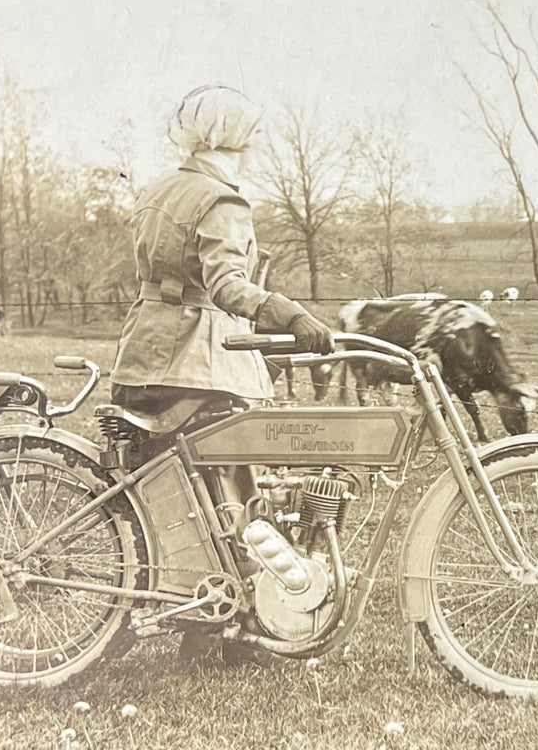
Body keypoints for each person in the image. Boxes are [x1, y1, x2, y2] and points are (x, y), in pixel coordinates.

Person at [110, 84, 335, 663]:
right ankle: (222, 630)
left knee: (184, 491)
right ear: (231, 136)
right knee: (232, 488)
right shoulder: (222, 201)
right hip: (200, 360)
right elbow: (226, 286)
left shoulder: (159, 191)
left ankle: (207, 620)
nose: (255, 141)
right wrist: (288, 313)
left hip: (145, 351)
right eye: (250, 132)